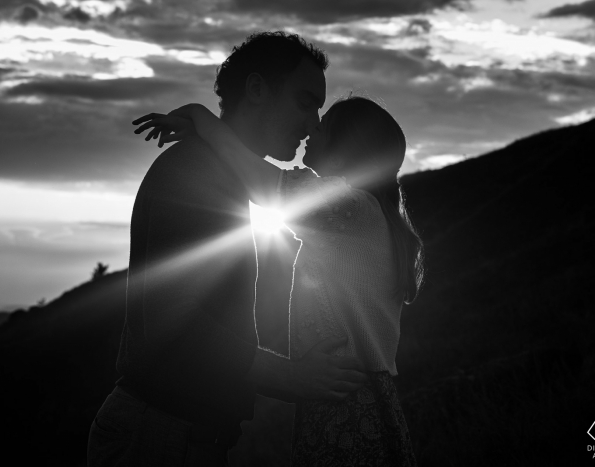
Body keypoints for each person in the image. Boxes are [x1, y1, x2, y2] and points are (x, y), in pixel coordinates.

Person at [86, 31, 370, 467]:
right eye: (305, 102)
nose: (314, 123)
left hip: (175, 433)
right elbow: (180, 324)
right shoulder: (197, 173)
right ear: (256, 89)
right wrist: (292, 376)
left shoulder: (218, 172)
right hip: (159, 435)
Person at [134, 95, 424, 465]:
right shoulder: (363, 215)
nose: (309, 128)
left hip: (346, 401)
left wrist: (202, 117)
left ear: (345, 148)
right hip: (351, 396)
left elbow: (263, 184)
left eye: (322, 126)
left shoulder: (350, 209)